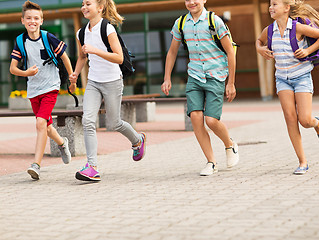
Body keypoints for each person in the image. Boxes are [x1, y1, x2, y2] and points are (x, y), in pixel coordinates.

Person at [70, 0, 146, 182]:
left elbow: (119, 57)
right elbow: (82, 56)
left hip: (112, 81)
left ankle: (137, 140)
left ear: (100, 7)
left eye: (88, 3)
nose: (84, 7)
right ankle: (92, 167)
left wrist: (95, 50)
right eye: (82, 4)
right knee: (88, 120)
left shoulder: (108, 29)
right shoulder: (81, 32)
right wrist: (74, 74)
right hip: (94, 82)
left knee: (114, 123)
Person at [161, 0, 239, 176]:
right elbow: (172, 52)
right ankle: (211, 162)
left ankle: (230, 144)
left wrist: (231, 82)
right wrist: (167, 78)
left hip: (216, 75)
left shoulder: (215, 21)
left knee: (211, 120)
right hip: (195, 76)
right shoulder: (181, 23)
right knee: (196, 118)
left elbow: (230, 52)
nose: (191, 2)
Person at [256, 0, 319, 175]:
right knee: (290, 118)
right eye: (270, 4)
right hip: (282, 79)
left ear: (286, 8)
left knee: (305, 120)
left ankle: (317, 123)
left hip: (302, 76)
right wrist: (260, 49)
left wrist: (308, 51)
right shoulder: (269, 30)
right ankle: (303, 161)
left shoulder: (297, 28)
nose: (270, 7)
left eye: (275, 4)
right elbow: (259, 41)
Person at [9, 0, 75, 180]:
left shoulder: (48, 38)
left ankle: (36, 165)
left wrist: (72, 78)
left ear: (42, 20)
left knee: (39, 123)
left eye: (36, 18)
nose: (32, 21)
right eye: (29, 18)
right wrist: (26, 72)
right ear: (22, 20)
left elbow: (64, 57)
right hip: (33, 90)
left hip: (51, 87)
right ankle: (62, 143)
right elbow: (13, 69)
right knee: (45, 126)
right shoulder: (20, 41)